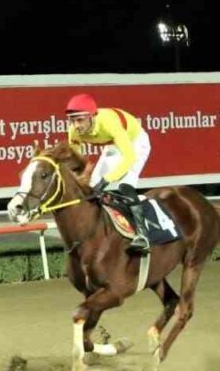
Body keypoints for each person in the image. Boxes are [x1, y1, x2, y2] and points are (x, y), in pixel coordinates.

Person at [65, 93, 154, 253]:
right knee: (92, 188)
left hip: (135, 142)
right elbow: (76, 159)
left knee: (123, 186)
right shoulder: (74, 131)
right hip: (113, 145)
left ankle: (142, 235)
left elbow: (129, 157)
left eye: (80, 120)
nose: (76, 125)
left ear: (92, 116)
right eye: (72, 120)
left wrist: (107, 179)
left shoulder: (110, 123)